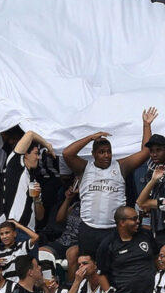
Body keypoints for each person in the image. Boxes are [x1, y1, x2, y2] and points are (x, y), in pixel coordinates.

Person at [62, 108, 156, 256]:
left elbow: (145, 153)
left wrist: (146, 125)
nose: (106, 155)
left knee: (113, 266)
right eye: (101, 152)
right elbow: (67, 153)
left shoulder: (120, 166)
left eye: (109, 151)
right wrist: (90, 138)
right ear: (93, 154)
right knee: (87, 265)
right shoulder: (84, 167)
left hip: (114, 228)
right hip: (88, 227)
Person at [97, 206, 157, 293]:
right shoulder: (108, 244)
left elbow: (157, 257)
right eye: (134, 219)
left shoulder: (145, 235)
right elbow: (101, 275)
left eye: (138, 218)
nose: (138, 221)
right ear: (122, 222)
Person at [0, 130, 54, 231]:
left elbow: (40, 217)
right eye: (36, 153)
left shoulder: (33, 181)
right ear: (25, 155)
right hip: (14, 228)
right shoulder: (15, 165)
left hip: (29, 232)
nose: (38, 157)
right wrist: (47, 145)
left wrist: (37, 198)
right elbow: (30, 134)